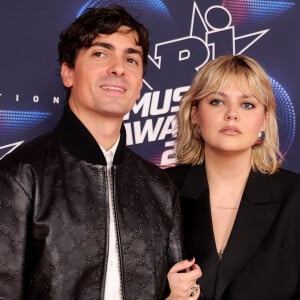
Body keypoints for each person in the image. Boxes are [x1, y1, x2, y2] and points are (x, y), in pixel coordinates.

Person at [0, 6, 185, 299]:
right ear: (68, 72)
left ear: (139, 87)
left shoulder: (160, 188)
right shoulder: (20, 175)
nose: (118, 68)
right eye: (101, 53)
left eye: (131, 59)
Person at [166, 54, 300, 299]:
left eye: (247, 104)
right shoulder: (160, 190)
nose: (232, 114)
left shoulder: (295, 197)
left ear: (264, 120)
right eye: (217, 101)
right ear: (195, 115)